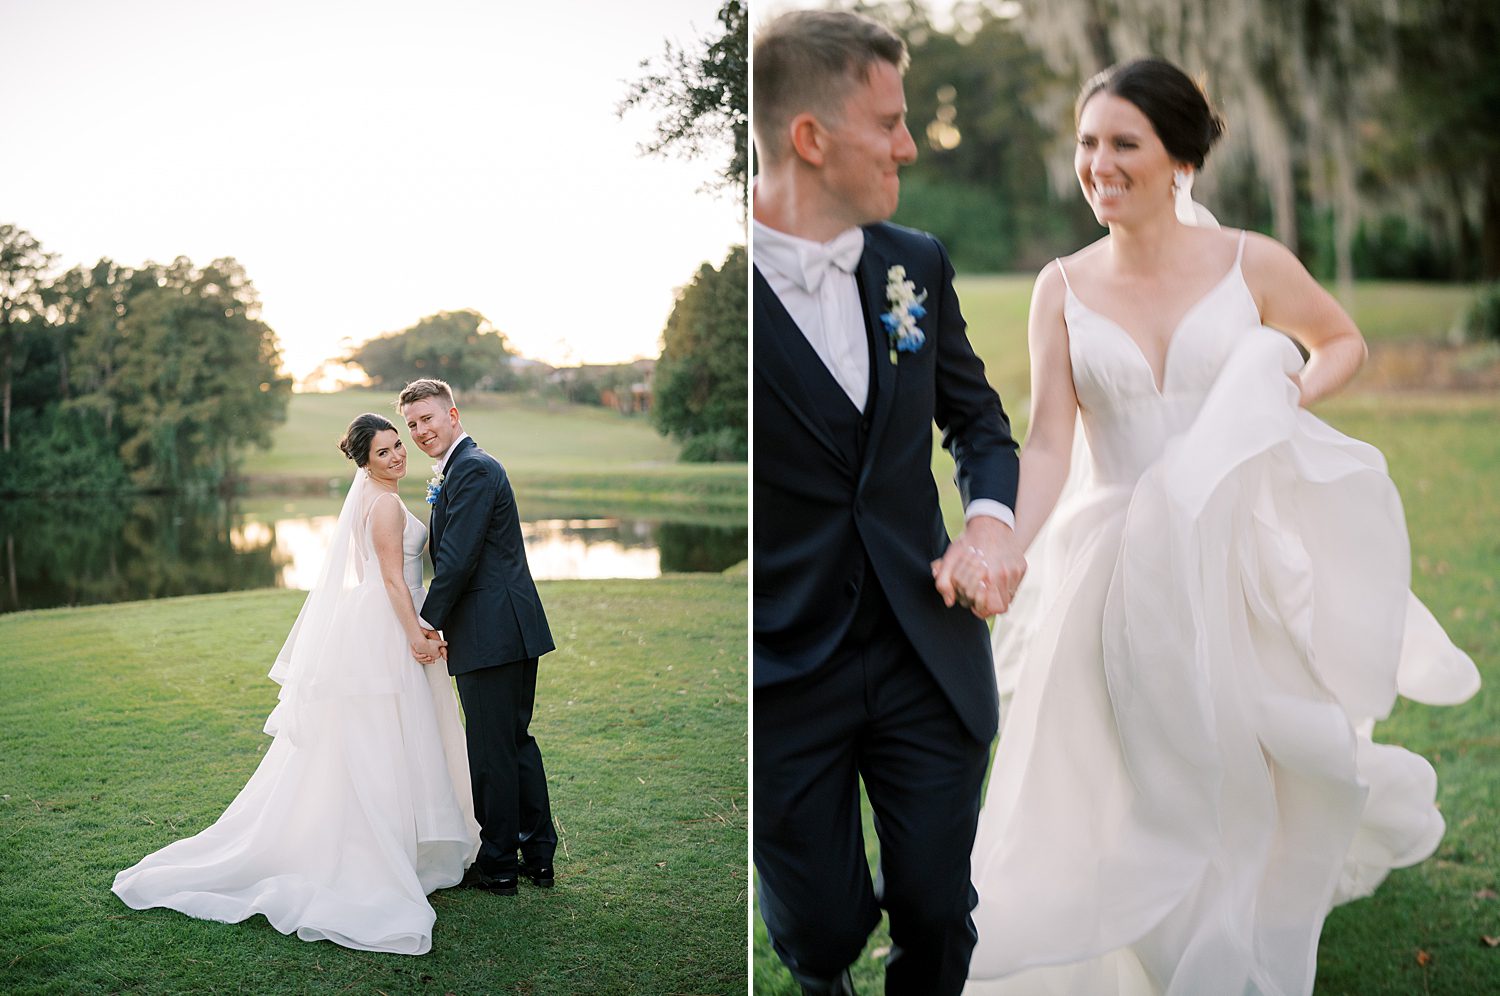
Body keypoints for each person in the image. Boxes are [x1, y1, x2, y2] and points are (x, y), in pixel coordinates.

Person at [960, 59, 1481, 994]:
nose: (1098, 164)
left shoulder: (1251, 263)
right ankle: (1127, 939)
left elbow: (1342, 342)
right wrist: (1004, 542)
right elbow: (1047, 442)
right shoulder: (1062, 286)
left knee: (1244, 755)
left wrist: (1283, 394)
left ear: (1179, 160)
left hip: (1231, 556)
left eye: (1124, 143)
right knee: (1119, 761)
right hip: (1110, 561)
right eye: (1087, 143)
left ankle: (1223, 940)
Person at [752, 11, 1027, 994]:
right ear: (812, 139)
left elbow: (980, 423)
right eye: (891, 122)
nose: (911, 145)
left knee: (938, 912)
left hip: (927, 645)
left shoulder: (916, 261)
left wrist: (987, 523)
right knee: (821, 933)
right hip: (780, 675)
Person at [112, 413, 479, 955]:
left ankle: (405, 844)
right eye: (384, 452)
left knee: (393, 737)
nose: (397, 456)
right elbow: (392, 580)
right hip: (389, 624)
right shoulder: (381, 506)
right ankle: (385, 852)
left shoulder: (377, 497)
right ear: (365, 462)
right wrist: (419, 635)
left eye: (398, 446)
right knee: (386, 739)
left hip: (378, 620)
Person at [398, 378, 558, 896]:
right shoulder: (466, 467)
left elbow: (458, 560)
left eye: (427, 419)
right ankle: (536, 855)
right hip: (505, 626)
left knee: (492, 749)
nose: (420, 431)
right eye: (412, 424)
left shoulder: (471, 469)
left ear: (453, 414)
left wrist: (426, 622)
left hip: (490, 630)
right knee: (512, 742)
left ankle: (498, 865)